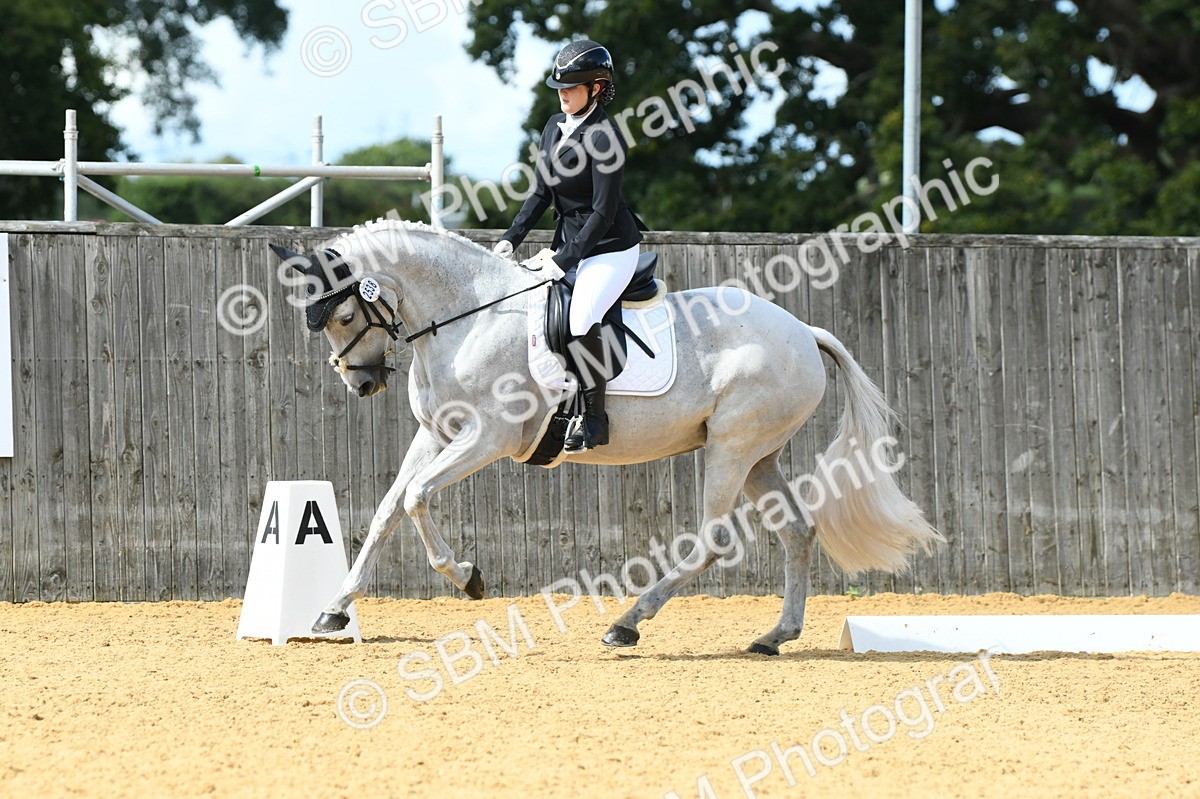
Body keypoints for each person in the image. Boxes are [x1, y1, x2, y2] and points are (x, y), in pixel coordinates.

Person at [494, 39, 645, 453]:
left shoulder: (606, 138)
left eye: (572, 88)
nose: (563, 95)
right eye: (559, 88)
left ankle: (594, 418)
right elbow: (541, 192)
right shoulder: (552, 127)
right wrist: (511, 238)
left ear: (596, 88)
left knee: (579, 319)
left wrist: (564, 259)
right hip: (570, 243)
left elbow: (602, 212)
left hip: (609, 247)